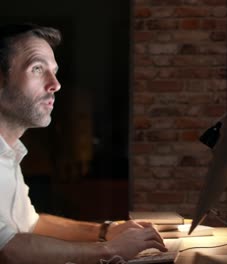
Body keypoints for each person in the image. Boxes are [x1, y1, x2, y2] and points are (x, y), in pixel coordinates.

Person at [0, 23, 166, 264]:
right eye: (37, 69)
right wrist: (108, 250)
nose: (55, 84)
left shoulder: (8, 153)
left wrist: (106, 231)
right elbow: (7, 249)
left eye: (54, 71)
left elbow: (32, 224)